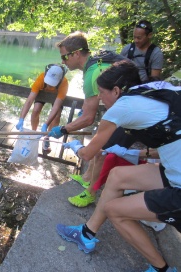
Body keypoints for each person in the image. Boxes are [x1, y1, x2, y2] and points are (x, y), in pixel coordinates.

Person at [52, 60, 180, 272]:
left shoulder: (122, 107)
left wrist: (75, 146)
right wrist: (134, 153)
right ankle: (87, 234)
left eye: (102, 92)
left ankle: (161, 269)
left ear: (117, 90)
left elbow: (88, 154)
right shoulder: (149, 90)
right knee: (118, 175)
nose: (100, 98)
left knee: (115, 211)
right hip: (174, 168)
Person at [51, 31, 135, 207]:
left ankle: (90, 193)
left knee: (102, 149)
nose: (63, 62)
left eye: (65, 57)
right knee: (101, 143)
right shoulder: (95, 63)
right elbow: (90, 107)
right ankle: (87, 178)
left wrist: (64, 129)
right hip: (125, 106)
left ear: (76, 54)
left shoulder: (92, 72)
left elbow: (88, 118)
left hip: (131, 113)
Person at [16, 64, 68, 152]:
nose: (49, 86)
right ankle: (34, 134)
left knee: (57, 116)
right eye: (48, 83)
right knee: (36, 110)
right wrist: (21, 119)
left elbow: (56, 106)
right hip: (42, 93)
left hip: (56, 97)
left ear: (59, 80)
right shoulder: (41, 79)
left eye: (52, 84)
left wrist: (46, 124)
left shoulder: (64, 83)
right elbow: (29, 101)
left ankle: (47, 137)